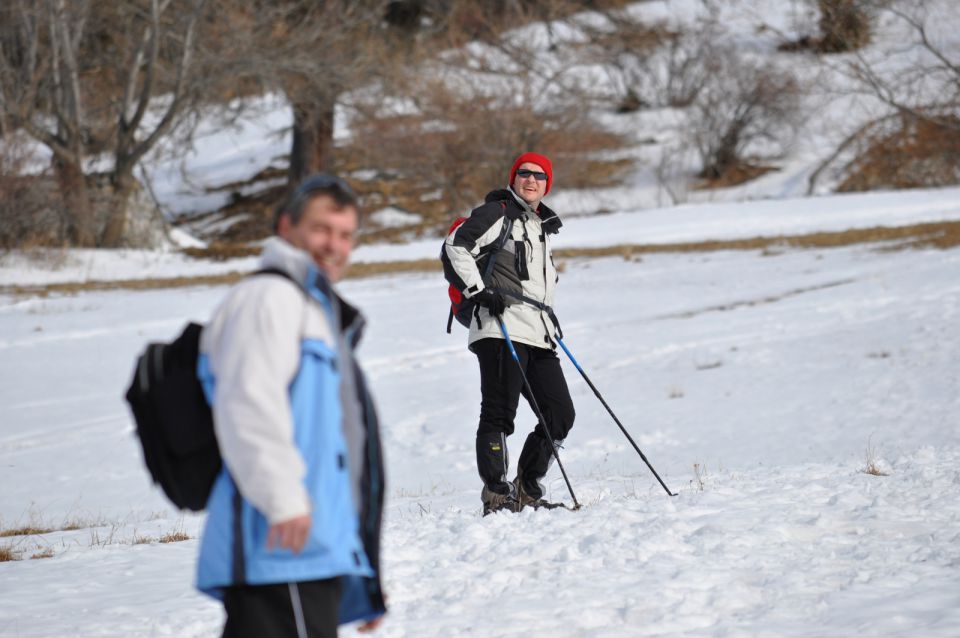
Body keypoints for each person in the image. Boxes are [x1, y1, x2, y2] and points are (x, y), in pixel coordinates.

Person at [195, 174, 386, 637]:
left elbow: (340, 448)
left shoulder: (314, 310)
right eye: (321, 229)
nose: (333, 245)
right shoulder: (269, 298)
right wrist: (283, 502)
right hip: (283, 545)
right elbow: (248, 404)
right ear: (286, 227)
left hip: (312, 549)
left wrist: (360, 572)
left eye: (344, 235)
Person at [443, 152, 575, 515]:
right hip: (500, 328)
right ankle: (497, 495)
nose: (531, 180)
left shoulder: (541, 226)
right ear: (513, 178)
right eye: (524, 173)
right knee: (500, 412)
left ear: (547, 183)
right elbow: (455, 246)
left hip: (538, 333)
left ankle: (527, 488)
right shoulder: (497, 213)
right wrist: (478, 291)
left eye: (539, 175)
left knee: (560, 414)